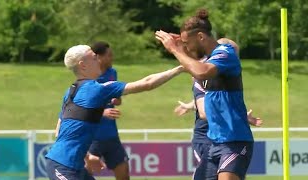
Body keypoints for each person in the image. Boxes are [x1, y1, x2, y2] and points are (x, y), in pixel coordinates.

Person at [46, 44, 183, 180]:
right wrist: (180, 68)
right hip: (64, 166)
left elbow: (59, 131)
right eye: (94, 58)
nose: (98, 60)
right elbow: (147, 83)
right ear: (83, 65)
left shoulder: (70, 92)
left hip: (68, 165)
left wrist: (87, 157)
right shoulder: (98, 89)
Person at [156, 8, 254, 180]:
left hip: (234, 141)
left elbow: (201, 71)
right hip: (214, 143)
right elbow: (194, 63)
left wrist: (175, 49)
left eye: (187, 43)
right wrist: (180, 45)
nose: (186, 47)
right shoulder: (209, 59)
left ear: (201, 37)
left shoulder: (225, 53)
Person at [174, 38, 262, 180]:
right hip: (205, 139)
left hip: (228, 137)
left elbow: (214, 103)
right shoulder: (203, 79)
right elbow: (204, 111)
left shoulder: (227, 80)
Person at [86, 41, 130, 180]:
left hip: (111, 134)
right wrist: (102, 113)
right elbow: (80, 109)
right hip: (93, 137)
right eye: (109, 55)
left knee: (123, 172)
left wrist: (117, 100)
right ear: (98, 57)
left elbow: (117, 98)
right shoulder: (88, 77)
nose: (112, 58)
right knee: (84, 174)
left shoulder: (112, 73)